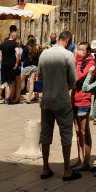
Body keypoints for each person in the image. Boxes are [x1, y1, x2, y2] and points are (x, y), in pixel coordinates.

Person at [37, 30, 79, 181]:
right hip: (61, 100)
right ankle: (67, 170)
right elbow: (74, 81)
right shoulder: (68, 55)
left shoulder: (44, 54)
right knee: (66, 134)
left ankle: (45, 167)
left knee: (46, 134)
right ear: (67, 40)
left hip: (46, 99)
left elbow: (40, 76)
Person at [72, 42, 95, 170]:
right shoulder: (78, 61)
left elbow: (79, 76)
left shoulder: (90, 63)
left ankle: (86, 162)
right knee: (77, 131)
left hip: (83, 100)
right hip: (74, 99)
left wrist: (77, 61)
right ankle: (80, 159)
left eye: (82, 50)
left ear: (87, 52)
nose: (79, 52)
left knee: (84, 131)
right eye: (78, 49)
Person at [0, 27, 21, 104]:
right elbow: (18, 53)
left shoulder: (2, 43)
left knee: (2, 81)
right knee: (10, 82)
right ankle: (7, 99)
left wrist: (1, 63)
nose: (17, 37)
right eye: (16, 36)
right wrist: (16, 63)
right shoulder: (15, 44)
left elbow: (0, 55)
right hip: (11, 65)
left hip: (4, 65)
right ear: (12, 35)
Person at [21, 36, 40, 103]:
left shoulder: (25, 48)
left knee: (19, 81)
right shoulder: (36, 49)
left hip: (27, 67)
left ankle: (17, 97)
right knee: (32, 83)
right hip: (34, 67)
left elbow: (22, 58)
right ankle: (28, 99)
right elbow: (38, 59)